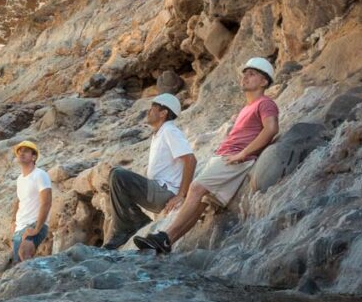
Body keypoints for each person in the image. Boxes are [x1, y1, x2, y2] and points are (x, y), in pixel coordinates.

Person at [135, 57, 279, 254]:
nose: (245, 77)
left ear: (264, 82)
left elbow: (271, 129)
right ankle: (168, 243)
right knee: (202, 203)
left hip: (235, 158)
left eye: (252, 74)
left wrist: (243, 154)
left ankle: (164, 236)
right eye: (244, 73)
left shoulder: (265, 103)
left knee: (195, 188)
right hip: (226, 157)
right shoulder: (247, 108)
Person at [103, 93, 196, 250]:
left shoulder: (169, 130)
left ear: (163, 113)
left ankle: (125, 229)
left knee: (118, 175)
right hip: (157, 190)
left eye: (153, 108)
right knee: (117, 178)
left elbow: (191, 160)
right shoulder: (159, 133)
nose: (148, 112)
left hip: (165, 192)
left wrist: (181, 195)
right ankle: (136, 222)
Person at [11, 140, 52, 264]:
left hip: (34, 224)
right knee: (18, 263)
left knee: (24, 254)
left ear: (33, 157)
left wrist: (37, 228)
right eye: (19, 151)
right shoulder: (20, 179)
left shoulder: (40, 175)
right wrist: (13, 221)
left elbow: (47, 201)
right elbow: (19, 201)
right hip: (20, 227)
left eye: (26, 151)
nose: (21, 153)